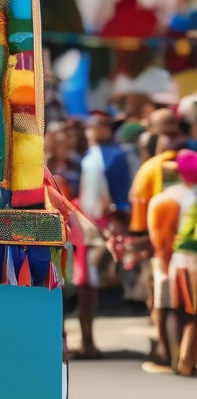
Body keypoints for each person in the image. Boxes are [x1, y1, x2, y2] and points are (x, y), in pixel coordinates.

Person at [73, 111, 132, 359]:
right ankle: (87, 340)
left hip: (102, 227)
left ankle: (88, 341)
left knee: (89, 282)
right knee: (85, 284)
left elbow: (120, 196)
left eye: (100, 125)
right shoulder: (88, 155)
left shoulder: (115, 156)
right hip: (86, 223)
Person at [145, 154, 196, 373]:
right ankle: (183, 361)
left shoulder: (164, 198)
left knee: (174, 308)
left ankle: (174, 359)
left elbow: (161, 238)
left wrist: (164, 262)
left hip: (175, 259)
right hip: (184, 259)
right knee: (187, 312)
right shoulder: (187, 197)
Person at [169, 150, 197, 375]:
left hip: (182, 257)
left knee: (187, 312)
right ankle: (186, 363)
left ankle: (183, 361)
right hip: (192, 258)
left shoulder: (187, 195)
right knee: (192, 313)